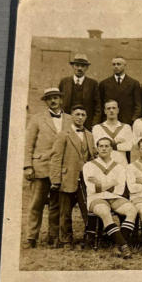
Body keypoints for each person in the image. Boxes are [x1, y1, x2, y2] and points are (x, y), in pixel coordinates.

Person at [23, 87, 72, 248]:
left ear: (61, 99)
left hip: (60, 169)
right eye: (49, 98)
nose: (53, 101)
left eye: (56, 97)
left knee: (56, 205)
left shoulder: (70, 119)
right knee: (36, 204)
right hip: (40, 167)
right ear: (46, 101)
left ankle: (53, 236)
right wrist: (28, 166)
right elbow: (28, 144)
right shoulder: (37, 119)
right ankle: (31, 237)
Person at [49, 105, 96, 249]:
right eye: (77, 114)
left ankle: (88, 238)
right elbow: (56, 158)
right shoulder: (64, 134)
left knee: (88, 210)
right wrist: (56, 180)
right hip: (67, 178)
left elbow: (92, 156)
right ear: (72, 116)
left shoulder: (89, 135)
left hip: (85, 181)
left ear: (86, 117)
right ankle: (66, 240)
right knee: (65, 212)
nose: (80, 117)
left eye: (83, 114)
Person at [82, 137, 137, 258]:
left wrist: (100, 183)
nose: (104, 148)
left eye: (107, 146)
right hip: (95, 198)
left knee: (132, 210)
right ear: (97, 148)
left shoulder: (119, 167)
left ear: (112, 148)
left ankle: (117, 246)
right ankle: (124, 246)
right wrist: (111, 183)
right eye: (101, 146)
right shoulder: (89, 166)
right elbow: (92, 188)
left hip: (114, 197)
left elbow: (120, 189)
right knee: (104, 212)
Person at [58, 53, 101, 130]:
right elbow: (59, 103)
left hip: (86, 123)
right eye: (77, 65)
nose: (79, 68)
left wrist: (94, 124)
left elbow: (98, 106)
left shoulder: (93, 84)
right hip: (66, 122)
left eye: (83, 66)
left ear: (87, 68)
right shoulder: (64, 82)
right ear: (73, 66)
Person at [98, 56, 142, 125]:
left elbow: (138, 106)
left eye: (118, 64)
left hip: (127, 122)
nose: (116, 66)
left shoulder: (134, 83)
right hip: (109, 122)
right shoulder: (104, 83)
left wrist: (133, 120)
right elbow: (100, 105)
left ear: (124, 66)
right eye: (114, 64)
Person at [92, 100, 134, 167]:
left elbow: (129, 146)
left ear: (118, 110)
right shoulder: (97, 128)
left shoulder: (126, 127)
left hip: (121, 164)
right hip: (103, 165)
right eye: (108, 108)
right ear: (105, 111)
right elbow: (96, 147)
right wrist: (115, 142)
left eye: (114, 108)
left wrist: (108, 145)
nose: (111, 110)